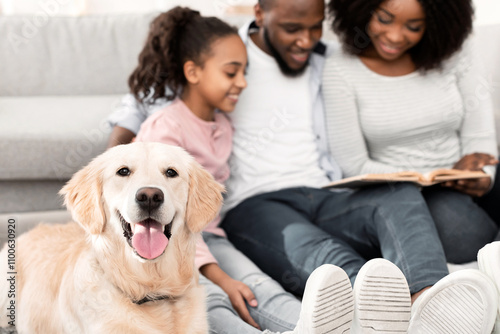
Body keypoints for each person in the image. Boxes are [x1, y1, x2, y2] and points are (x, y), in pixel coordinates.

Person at [107, 1, 498, 333]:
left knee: (397, 192)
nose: (305, 40)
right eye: (293, 28)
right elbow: (146, 99)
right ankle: (377, 303)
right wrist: (115, 176)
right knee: (321, 252)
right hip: (256, 203)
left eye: (315, 28)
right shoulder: (224, 55)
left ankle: (430, 301)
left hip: (325, 191)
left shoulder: (324, 60)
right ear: (260, 13)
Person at [130, 7, 356, 334]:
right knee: (211, 299)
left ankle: (333, 326)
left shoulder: (222, 124)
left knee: (257, 289)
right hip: (162, 241)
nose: (243, 83)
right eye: (231, 72)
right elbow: (166, 222)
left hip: (210, 236)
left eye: (245, 71)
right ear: (193, 72)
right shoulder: (165, 130)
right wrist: (220, 277)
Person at [324, 0, 499, 265]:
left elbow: (480, 137)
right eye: (383, 19)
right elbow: (354, 164)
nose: (394, 36)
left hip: (465, 177)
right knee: (462, 234)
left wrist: (483, 177)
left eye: (414, 26)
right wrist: (421, 178)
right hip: (405, 191)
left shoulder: (456, 51)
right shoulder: (340, 69)